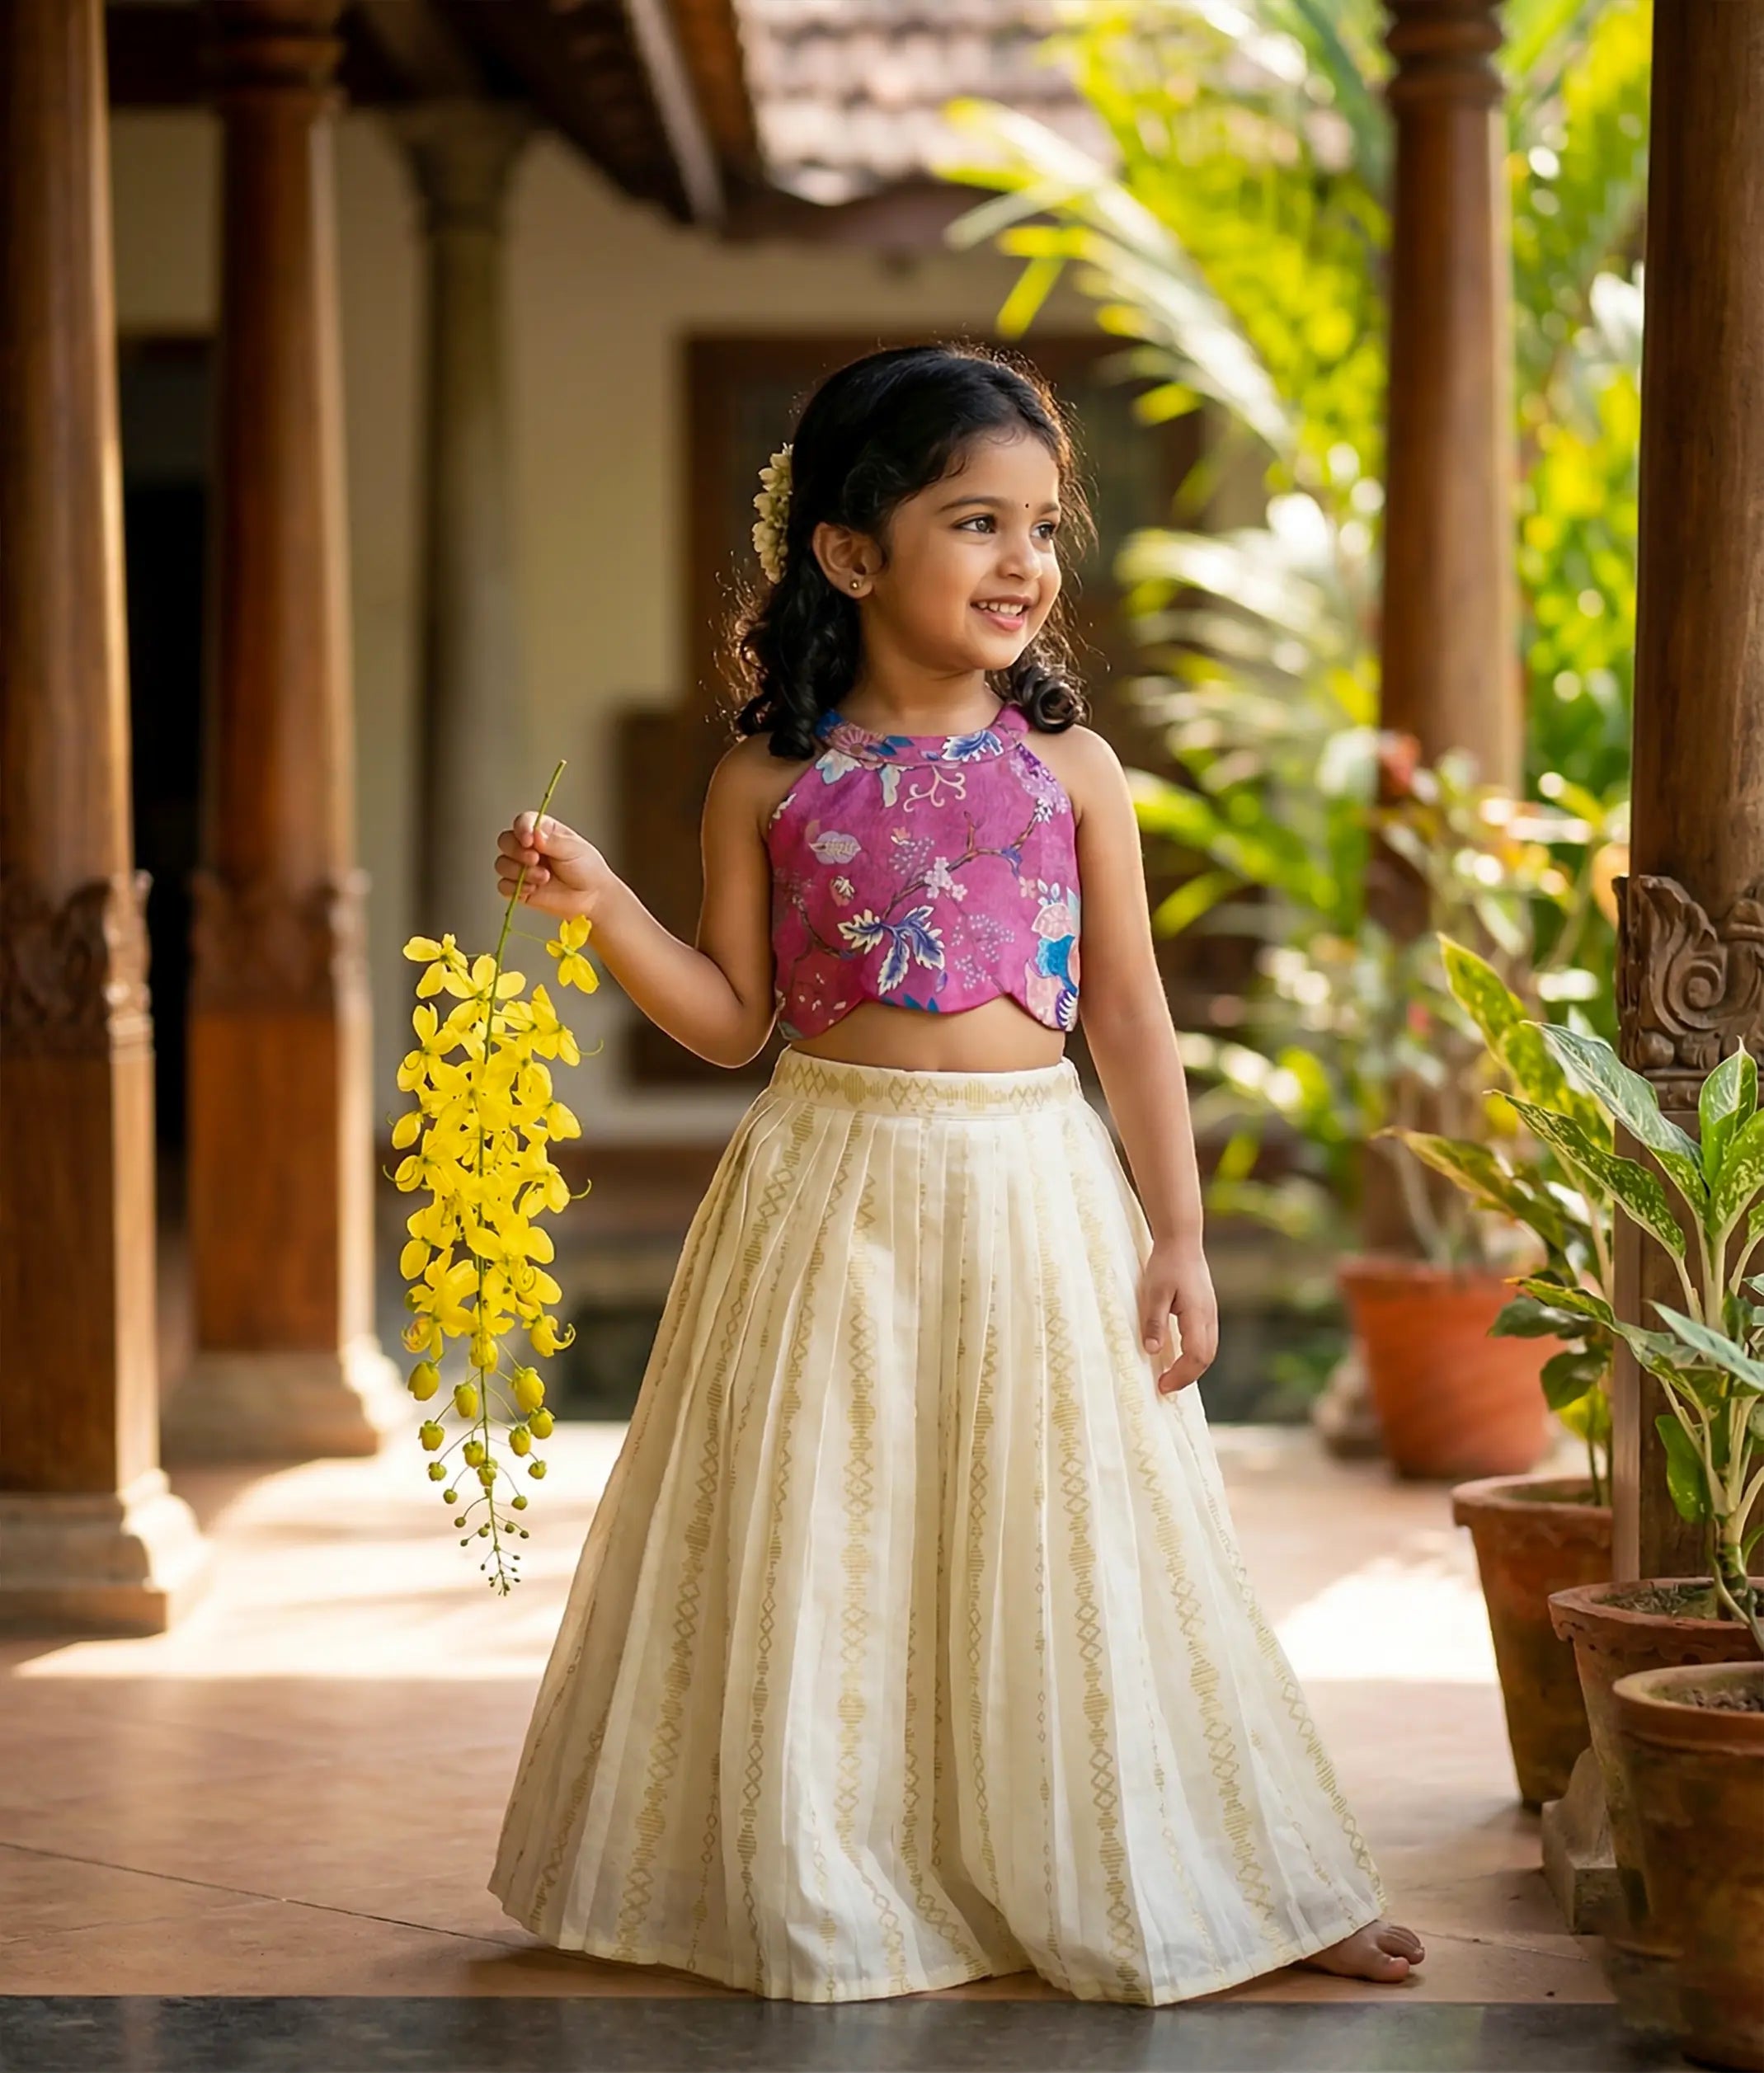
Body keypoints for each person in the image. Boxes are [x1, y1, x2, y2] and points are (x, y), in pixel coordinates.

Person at [487, 342, 1424, 2004]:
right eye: (972, 522)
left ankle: (1240, 1871)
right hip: (827, 1189)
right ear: (848, 555)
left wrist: (1176, 1234)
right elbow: (726, 1022)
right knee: (832, 1525)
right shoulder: (767, 781)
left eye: (1040, 529)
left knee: (1086, 1530)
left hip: (1032, 1192)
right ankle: (824, 1854)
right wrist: (605, 910)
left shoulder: (1069, 773)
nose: (1021, 563)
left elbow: (1125, 1015)